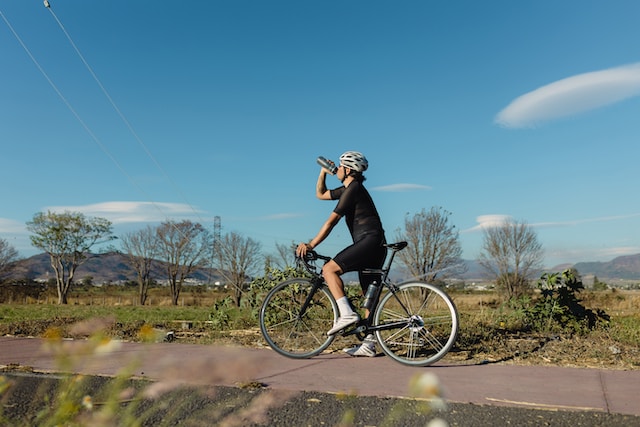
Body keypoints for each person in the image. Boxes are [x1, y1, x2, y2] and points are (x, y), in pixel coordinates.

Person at [296, 151, 387, 357]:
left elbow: (331, 222)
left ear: (348, 170)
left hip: (368, 241)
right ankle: (369, 344)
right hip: (376, 243)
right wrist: (323, 173)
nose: (336, 168)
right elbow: (321, 194)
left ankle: (345, 314)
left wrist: (311, 244)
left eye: (340, 166)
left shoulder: (352, 189)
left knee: (328, 269)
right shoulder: (350, 188)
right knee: (368, 295)